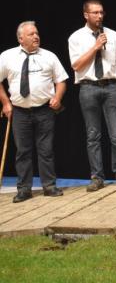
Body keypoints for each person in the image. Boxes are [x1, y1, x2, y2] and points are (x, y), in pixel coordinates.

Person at [68, 0, 116, 192]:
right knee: (93, 135)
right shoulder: (76, 37)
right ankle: (97, 177)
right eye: (95, 13)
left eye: (101, 13)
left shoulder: (113, 35)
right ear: (86, 15)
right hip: (88, 88)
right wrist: (96, 47)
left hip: (111, 87)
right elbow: (76, 65)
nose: (99, 16)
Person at [0, 21, 68, 203]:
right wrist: (6, 103)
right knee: (23, 151)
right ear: (21, 38)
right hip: (20, 112)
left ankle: (49, 186)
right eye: (31, 34)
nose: (36, 36)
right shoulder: (7, 56)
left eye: (37, 33)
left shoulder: (49, 56)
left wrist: (58, 98)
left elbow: (61, 80)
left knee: (46, 150)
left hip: (44, 111)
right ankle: (24, 189)